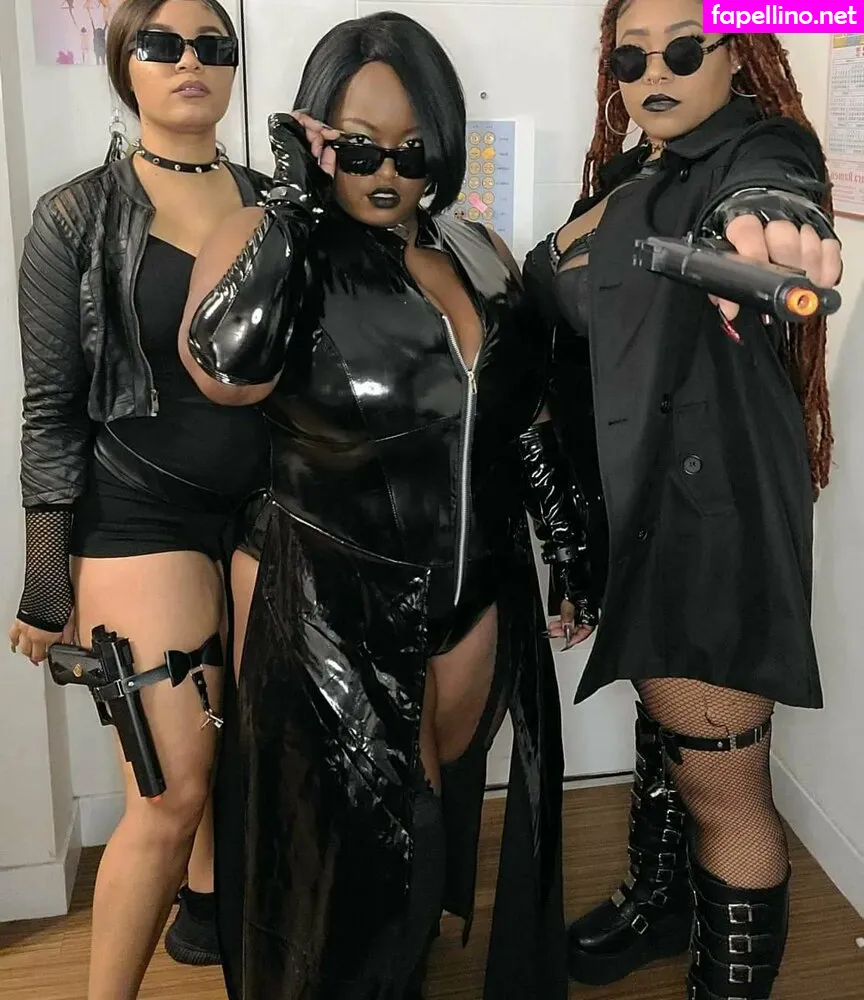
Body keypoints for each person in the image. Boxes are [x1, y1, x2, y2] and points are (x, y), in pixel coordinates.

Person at [178, 11, 597, 999]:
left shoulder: (477, 245)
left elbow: (524, 410)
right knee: (376, 840)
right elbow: (226, 371)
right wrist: (289, 206)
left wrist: (569, 539)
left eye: (413, 151)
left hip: (476, 592)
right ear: (318, 136)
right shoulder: (266, 237)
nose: (387, 171)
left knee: (427, 826)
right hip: (338, 597)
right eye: (359, 146)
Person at [523, 4, 842, 998]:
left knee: (722, 782)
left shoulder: (753, 150)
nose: (652, 71)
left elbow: (771, 190)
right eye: (631, 55)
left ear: (735, 53)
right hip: (634, 502)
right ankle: (659, 906)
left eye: (683, 48)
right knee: (665, 726)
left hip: (714, 516)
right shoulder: (630, 173)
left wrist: (771, 219)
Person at [8, 1, 272, 995]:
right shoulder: (74, 216)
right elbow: (49, 411)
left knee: (242, 754)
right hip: (137, 513)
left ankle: (207, 905)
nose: (190, 60)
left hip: (267, 505)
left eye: (213, 45)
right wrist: (47, 577)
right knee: (166, 793)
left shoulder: (277, 203)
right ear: (127, 65)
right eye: (163, 44)